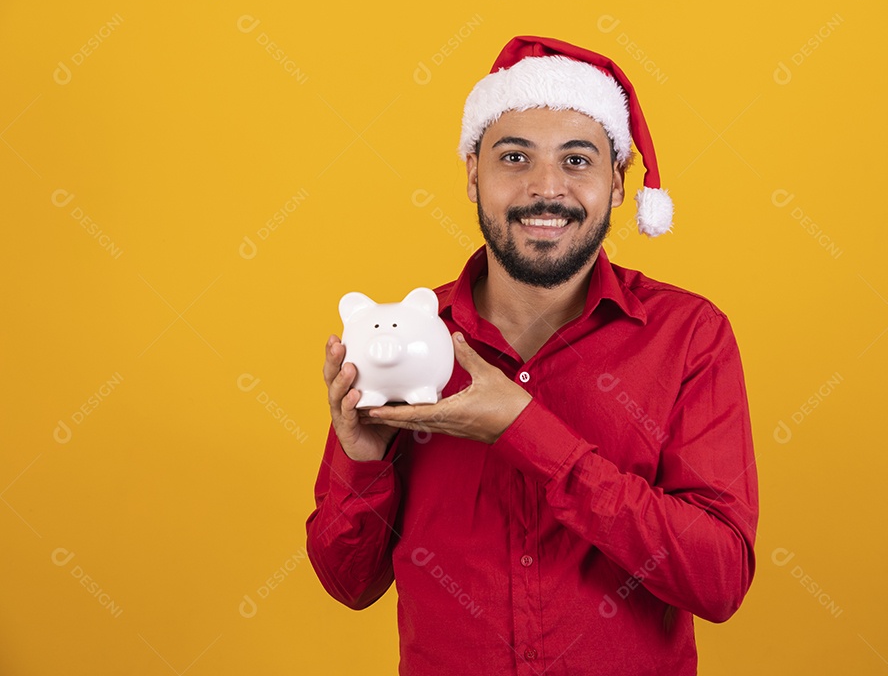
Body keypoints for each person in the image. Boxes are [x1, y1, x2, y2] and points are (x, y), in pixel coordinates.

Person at [306, 35, 758, 675]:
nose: (546, 188)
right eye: (514, 157)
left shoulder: (688, 336)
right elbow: (348, 583)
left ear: (618, 182)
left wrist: (525, 431)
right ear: (472, 174)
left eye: (577, 160)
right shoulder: (406, 339)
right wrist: (362, 460)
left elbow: (719, 581)